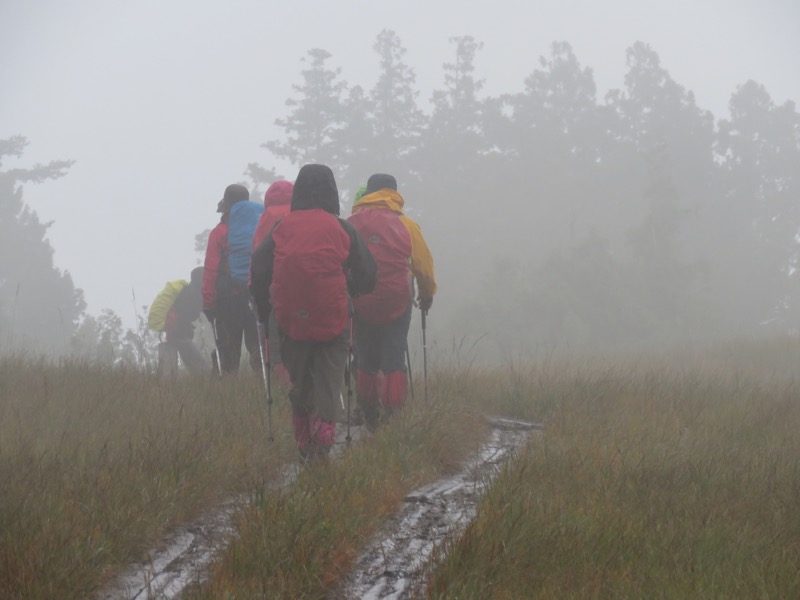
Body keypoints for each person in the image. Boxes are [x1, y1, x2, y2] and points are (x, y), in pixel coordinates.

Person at [250, 164, 377, 460]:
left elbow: (258, 267)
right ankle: (323, 434)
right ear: (332, 192)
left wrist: (263, 307)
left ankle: (304, 438)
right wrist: (352, 289)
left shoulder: (282, 227)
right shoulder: (341, 227)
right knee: (330, 377)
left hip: (291, 317)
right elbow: (369, 273)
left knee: (300, 379)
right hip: (333, 315)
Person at [347, 173, 436, 428]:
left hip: (361, 299)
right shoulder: (406, 224)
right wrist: (427, 293)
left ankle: (367, 410)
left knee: (365, 355)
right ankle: (393, 412)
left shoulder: (351, 223)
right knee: (394, 353)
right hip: (396, 299)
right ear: (394, 193)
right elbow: (423, 266)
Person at [202, 183, 263, 374]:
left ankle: (225, 393)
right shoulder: (258, 229)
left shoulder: (218, 233)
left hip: (226, 300)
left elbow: (211, 272)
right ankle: (266, 391)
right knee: (258, 351)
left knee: (227, 354)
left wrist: (208, 305)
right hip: (254, 296)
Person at [251, 180, 294, 387]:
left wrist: (256, 292)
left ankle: (283, 389)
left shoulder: (266, 218)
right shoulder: (300, 212)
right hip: (303, 282)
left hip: (274, 286)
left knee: (276, 346)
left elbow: (259, 255)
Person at [159, 266, 208, 376]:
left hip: (176, 334)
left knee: (195, 367)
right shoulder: (193, 294)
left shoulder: (188, 291)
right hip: (180, 335)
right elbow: (185, 315)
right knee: (202, 369)